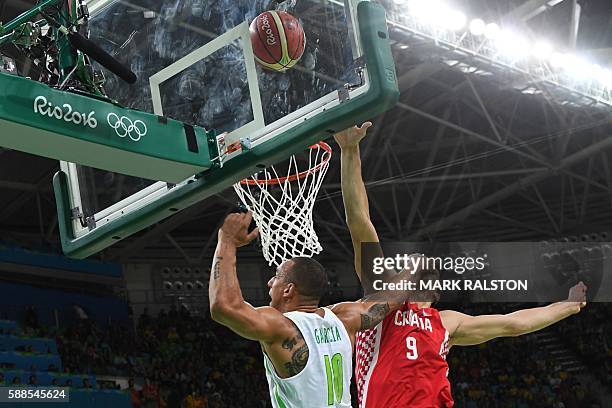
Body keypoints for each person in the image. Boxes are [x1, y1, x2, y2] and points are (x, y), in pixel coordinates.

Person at [335, 122, 588, 408]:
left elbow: (513, 323)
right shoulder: (381, 304)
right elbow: (359, 222)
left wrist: (568, 306)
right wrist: (349, 149)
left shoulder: (445, 322)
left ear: (434, 290)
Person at [209, 212, 409, 408]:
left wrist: (226, 241)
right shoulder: (345, 318)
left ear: (288, 290)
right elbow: (393, 298)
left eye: (277, 276)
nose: (270, 282)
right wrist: (415, 267)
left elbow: (223, 306)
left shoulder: (282, 326)